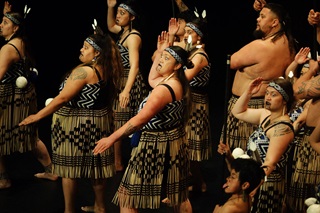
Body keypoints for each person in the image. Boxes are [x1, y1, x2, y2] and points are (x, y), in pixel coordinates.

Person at [19, 29, 123, 212]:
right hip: (99, 122)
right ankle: (100, 206)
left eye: (86, 47)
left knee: (69, 168)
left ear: (97, 52)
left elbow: (62, 99)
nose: (81, 50)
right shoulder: (108, 68)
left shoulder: (84, 71)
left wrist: (37, 116)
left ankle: (69, 210)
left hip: (77, 125)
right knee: (96, 166)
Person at [93, 31, 192, 213]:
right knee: (178, 195)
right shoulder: (177, 82)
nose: (161, 60)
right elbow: (152, 79)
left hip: (155, 146)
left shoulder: (163, 91)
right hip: (172, 142)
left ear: (177, 65)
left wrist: (111, 138)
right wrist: (160, 51)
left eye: (166, 58)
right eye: (162, 57)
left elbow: (140, 120)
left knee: (127, 198)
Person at [220, 3, 296, 153]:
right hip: (266, 107)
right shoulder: (289, 45)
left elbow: (232, 61)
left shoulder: (261, 46)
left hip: (246, 107)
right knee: (254, 156)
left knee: (236, 155)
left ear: (274, 22)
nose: (258, 19)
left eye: (262, 16)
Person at [0, 1, 58, 189]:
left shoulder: (8, 49)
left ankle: (3, 179)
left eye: (5, 23)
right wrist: (8, 15)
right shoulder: (22, 42)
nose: (0, 25)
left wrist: (10, 17)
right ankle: (51, 170)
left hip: (9, 98)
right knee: (31, 136)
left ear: (15, 28)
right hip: (25, 97)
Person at [218, 77, 295, 212]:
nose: (268, 98)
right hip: (252, 180)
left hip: (266, 184)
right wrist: (249, 92)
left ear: (284, 100)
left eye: (273, 95)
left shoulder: (283, 129)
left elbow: (269, 163)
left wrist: (255, 185)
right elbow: (238, 112)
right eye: (267, 93)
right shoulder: (265, 115)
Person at [106, 0, 148, 172]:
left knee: (123, 121)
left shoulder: (133, 37)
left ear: (132, 17)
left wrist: (127, 90)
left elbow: (135, 65)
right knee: (117, 120)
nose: (118, 15)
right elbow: (110, 26)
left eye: (122, 13)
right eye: (118, 12)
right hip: (120, 81)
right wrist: (110, 7)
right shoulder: (123, 33)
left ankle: (119, 162)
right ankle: (118, 160)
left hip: (130, 82)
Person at [181, 14, 211, 193]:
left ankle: (191, 186)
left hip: (195, 105)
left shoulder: (199, 56)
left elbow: (185, 77)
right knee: (186, 147)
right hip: (188, 102)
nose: (185, 35)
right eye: (185, 31)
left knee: (189, 148)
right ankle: (199, 183)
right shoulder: (191, 52)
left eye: (190, 32)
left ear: (199, 36)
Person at [286, 55, 320, 212]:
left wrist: (312, 70)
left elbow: (296, 90)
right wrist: (296, 63)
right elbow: (289, 78)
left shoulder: (310, 98)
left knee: (312, 188)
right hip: (305, 140)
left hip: (309, 139)